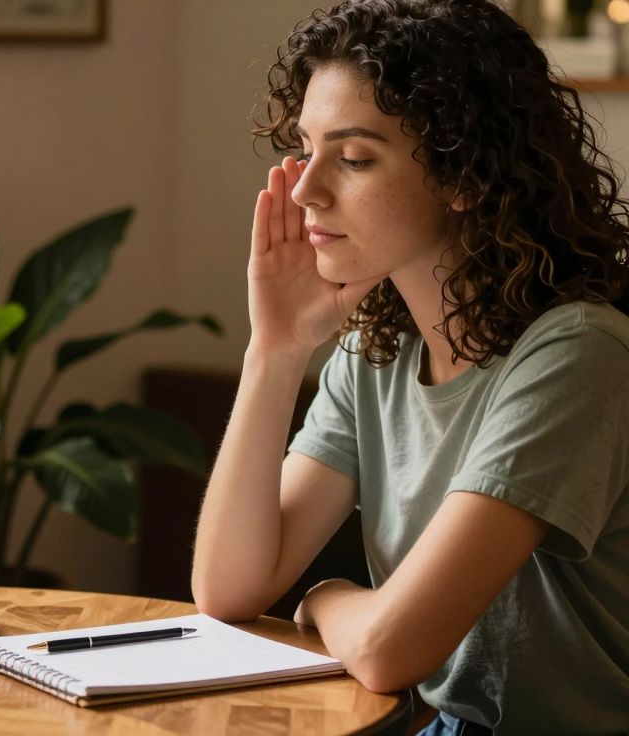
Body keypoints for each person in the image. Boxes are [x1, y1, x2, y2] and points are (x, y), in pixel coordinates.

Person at [190, 1, 629, 733]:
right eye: (306, 147)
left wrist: (325, 594)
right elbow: (229, 587)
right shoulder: (375, 352)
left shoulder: (576, 356)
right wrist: (275, 349)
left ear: (464, 175)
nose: (305, 190)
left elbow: (393, 650)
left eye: (354, 158)